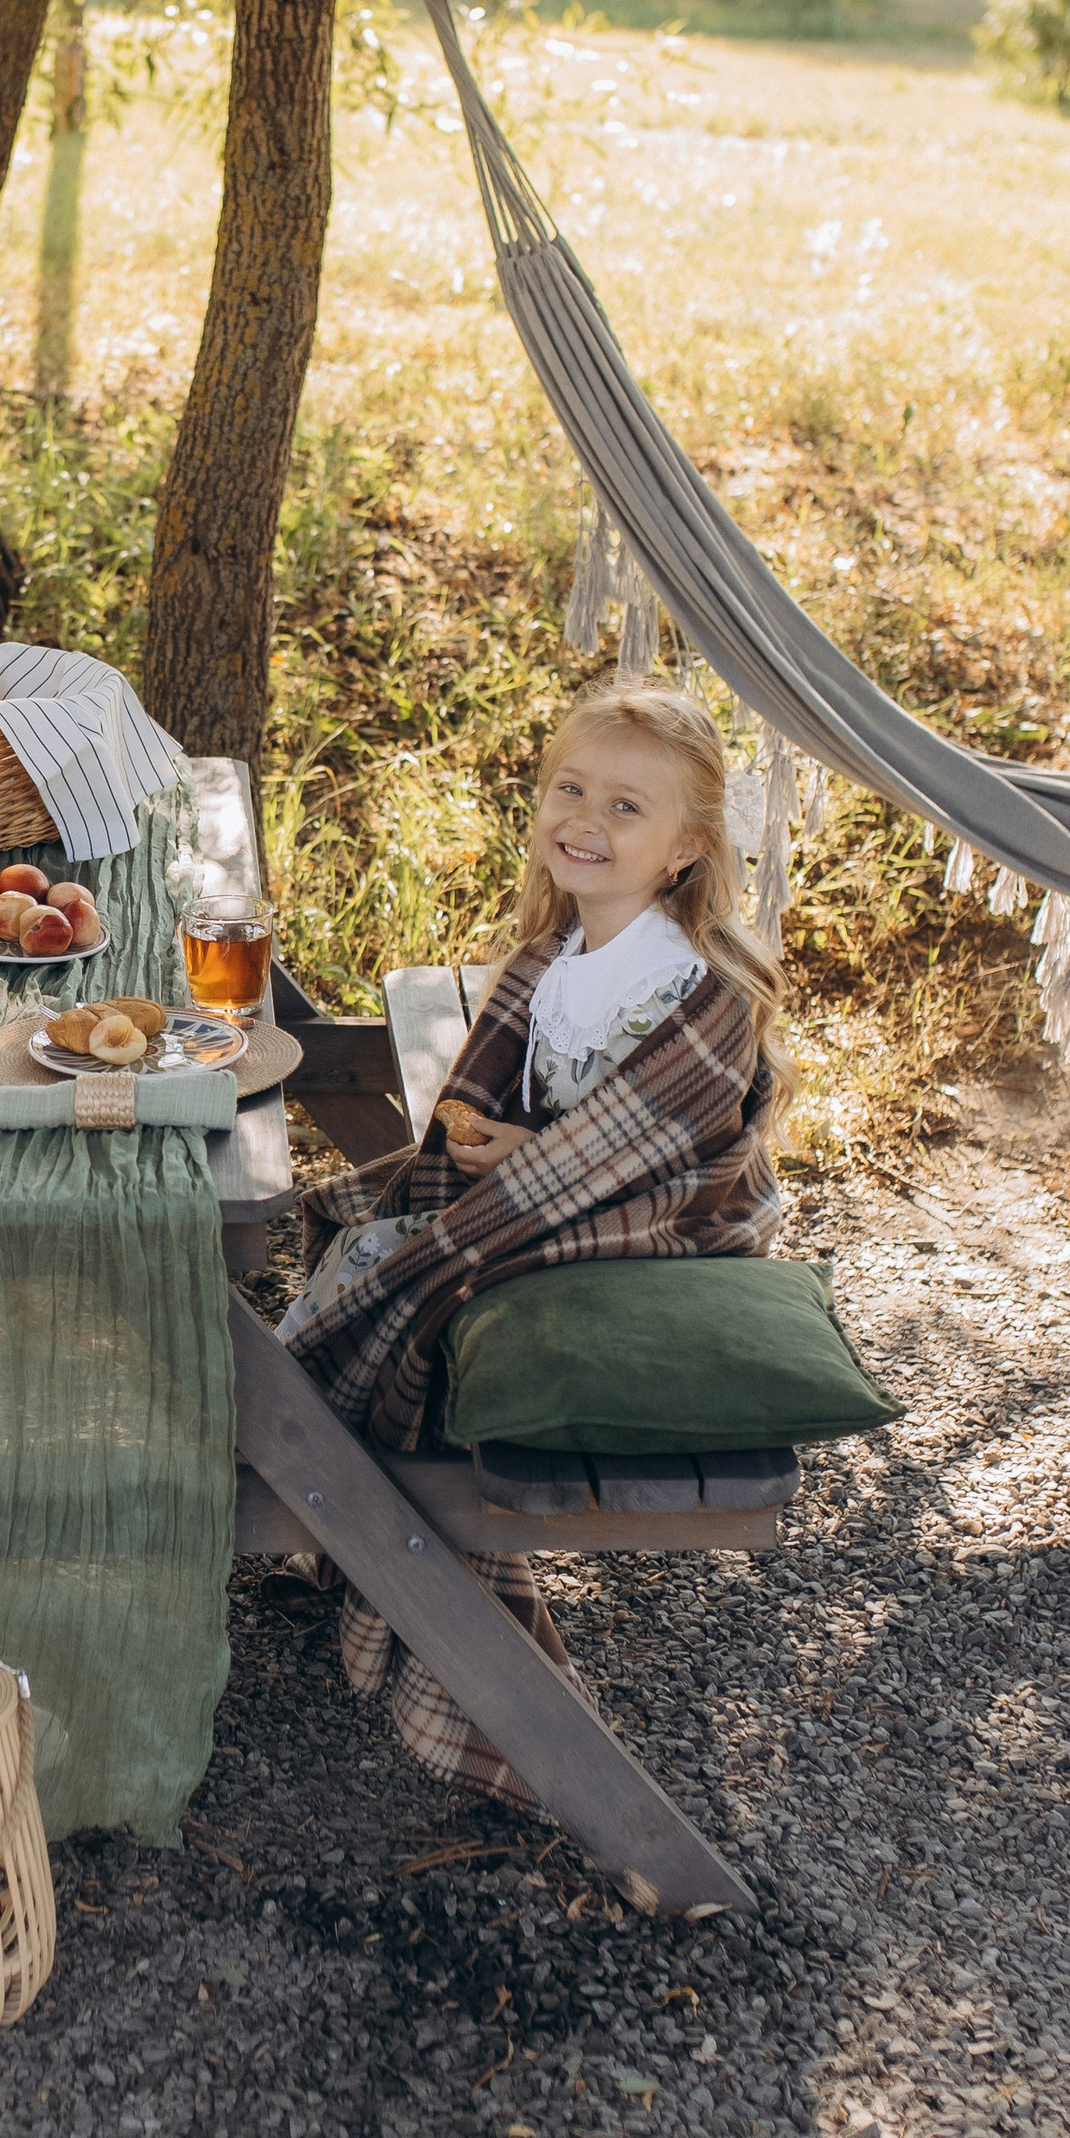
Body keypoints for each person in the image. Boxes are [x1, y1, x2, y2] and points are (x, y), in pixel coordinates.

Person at [283, 683, 792, 1801]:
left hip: (658, 1234)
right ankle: (310, 1470)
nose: (585, 821)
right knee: (370, 1242)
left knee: (400, 1283)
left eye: (624, 807)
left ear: (685, 848)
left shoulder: (689, 990)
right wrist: (508, 1153)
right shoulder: (550, 961)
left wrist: (519, 1168)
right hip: (560, 1190)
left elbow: (656, 1160)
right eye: (570, 789)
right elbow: (563, 1126)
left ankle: (310, 1471)